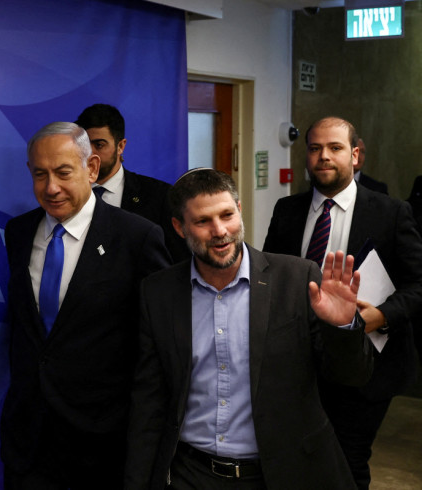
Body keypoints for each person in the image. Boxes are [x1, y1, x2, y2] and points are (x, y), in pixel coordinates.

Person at [125, 168, 373, 490]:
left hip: (284, 473)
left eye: (227, 215)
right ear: (178, 226)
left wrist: (342, 325)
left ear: (239, 210)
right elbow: (149, 401)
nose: (220, 231)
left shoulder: (296, 279)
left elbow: (351, 376)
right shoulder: (158, 293)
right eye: (202, 221)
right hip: (192, 474)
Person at [1, 121, 171, 489]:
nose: (51, 188)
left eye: (63, 173)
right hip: (28, 441)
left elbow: (160, 340)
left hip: (103, 444)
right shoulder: (17, 232)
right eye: (39, 175)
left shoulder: (137, 237)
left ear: (92, 168)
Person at [263, 116, 422, 489]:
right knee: (302, 457)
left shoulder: (391, 212)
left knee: (347, 460)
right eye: (315, 148)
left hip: (367, 362)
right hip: (300, 360)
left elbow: (418, 284)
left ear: (355, 155)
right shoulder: (287, 211)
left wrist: (378, 316)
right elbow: (270, 277)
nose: (323, 157)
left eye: (334, 148)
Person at [75, 103, 190, 263]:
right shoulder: (68, 195)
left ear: (120, 146)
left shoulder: (160, 196)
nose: (91, 154)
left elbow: (178, 261)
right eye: (86, 146)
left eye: (99, 145)